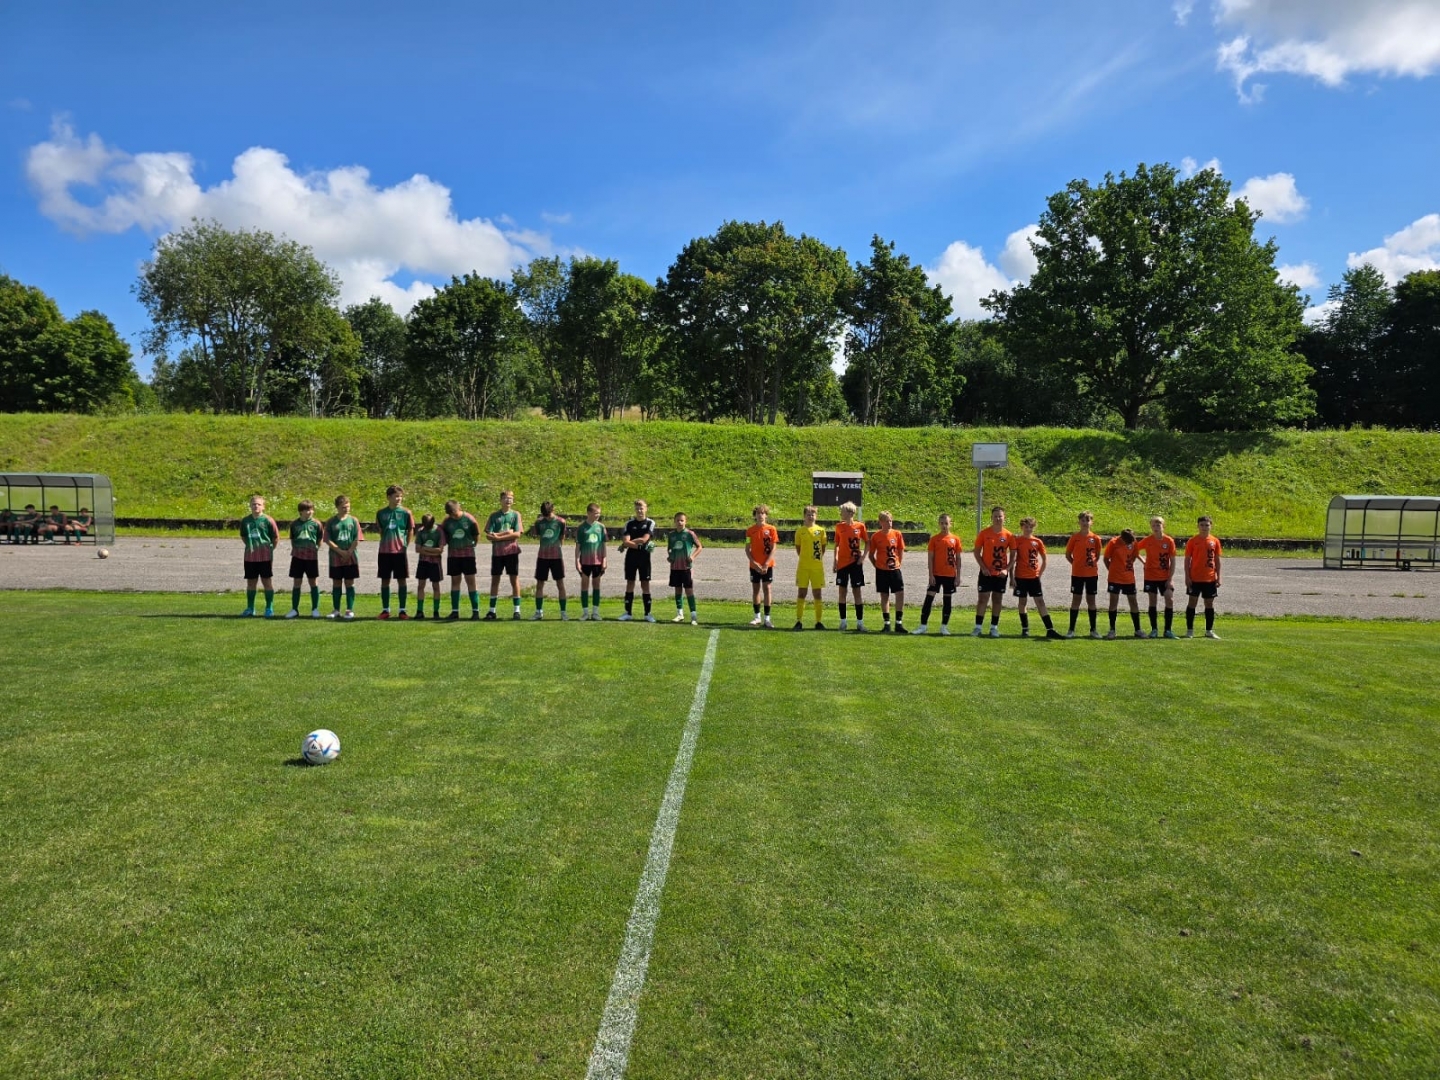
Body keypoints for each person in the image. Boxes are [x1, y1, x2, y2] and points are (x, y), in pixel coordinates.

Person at [1011, 517, 1063, 639]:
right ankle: (1025, 628)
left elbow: (1044, 559)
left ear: (1034, 528)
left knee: (1040, 601)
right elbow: (1012, 560)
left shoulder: (1037, 542)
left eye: (1030, 527)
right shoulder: (1017, 541)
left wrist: (1039, 574)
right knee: (1022, 602)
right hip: (1020, 576)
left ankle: (1050, 629)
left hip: (1033, 577)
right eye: (1026, 527)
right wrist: (1012, 577)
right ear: (1022, 527)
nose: (1028, 529)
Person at [913, 513, 962, 635]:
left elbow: (958, 558)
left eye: (946, 523)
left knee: (947, 600)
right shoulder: (934, 539)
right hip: (936, 574)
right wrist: (931, 575)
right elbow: (930, 558)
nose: (944, 526)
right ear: (939, 524)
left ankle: (944, 627)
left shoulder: (955, 539)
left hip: (950, 575)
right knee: (929, 598)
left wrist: (958, 576)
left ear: (950, 524)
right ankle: (923, 626)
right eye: (942, 523)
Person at [972, 506, 1014, 638]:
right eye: (995, 516)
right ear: (991, 518)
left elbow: (1014, 556)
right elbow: (976, 552)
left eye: (1000, 516)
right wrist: (983, 568)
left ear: (1004, 518)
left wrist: (1006, 570)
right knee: (982, 599)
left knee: (997, 599)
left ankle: (994, 627)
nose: (998, 518)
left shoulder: (1009, 535)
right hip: (986, 573)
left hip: (1000, 574)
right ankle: (978, 627)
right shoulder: (984, 533)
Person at [375, 484, 415, 620]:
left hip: (399, 552)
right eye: (396, 496)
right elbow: (381, 530)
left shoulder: (406, 513)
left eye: (400, 496)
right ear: (388, 497)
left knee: (401, 580)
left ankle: (402, 611)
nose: (399, 499)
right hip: (385, 551)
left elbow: (410, 530)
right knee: (385, 580)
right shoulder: (381, 513)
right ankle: (385, 610)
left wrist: (405, 545)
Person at [485, 490, 524, 620]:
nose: (508, 500)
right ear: (501, 500)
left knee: (514, 579)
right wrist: (507, 533)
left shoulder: (515, 515)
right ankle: (492, 611)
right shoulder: (494, 516)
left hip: (511, 552)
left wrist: (499, 536)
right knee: (495, 580)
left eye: (511, 498)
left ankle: (517, 610)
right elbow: (489, 534)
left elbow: (517, 534)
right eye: (506, 498)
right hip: (497, 553)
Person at [1137, 515, 1178, 639]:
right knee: (1152, 601)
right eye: (1153, 525)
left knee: (1169, 599)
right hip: (1150, 576)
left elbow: (1173, 561)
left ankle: (1168, 630)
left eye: (1158, 524)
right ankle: (1154, 629)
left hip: (1165, 577)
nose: (1156, 527)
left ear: (1163, 526)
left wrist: (1170, 579)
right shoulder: (1147, 540)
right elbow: (1134, 550)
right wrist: (1144, 561)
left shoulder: (1169, 541)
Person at [239, 495, 280, 618]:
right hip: (250, 557)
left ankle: (269, 608)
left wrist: (269, 549)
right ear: (250, 506)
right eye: (254, 504)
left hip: (265, 557)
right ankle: (250, 608)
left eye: (259, 504)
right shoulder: (245, 521)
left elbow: (275, 537)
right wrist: (251, 546)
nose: (256, 506)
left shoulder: (268, 520)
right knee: (251, 583)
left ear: (263, 506)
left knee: (267, 582)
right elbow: (243, 536)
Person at [1065, 511, 1104, 638]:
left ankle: (1093, 630)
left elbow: (1097, 555)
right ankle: (1071, 630)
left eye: (1087, 520)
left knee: (1091, 600)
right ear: (1079, 522)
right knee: (1076, 600)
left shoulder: (1095, 538)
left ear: (1091, 522)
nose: (1085, 523)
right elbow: (1068, 555)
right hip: (1077, 574)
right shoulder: (1074, 537)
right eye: (1082, 520)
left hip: (1091, 574)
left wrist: (1090, 565)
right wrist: (1076, 564)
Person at [323, 495, 363, 620]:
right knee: (336, 582)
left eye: (348, 506)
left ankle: (349, 610)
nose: (346, 509)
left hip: (351, 557)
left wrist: (349, 552)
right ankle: (336, 610)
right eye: (343, 507)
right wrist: (340, 552)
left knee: (349, 582)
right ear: (337, 507)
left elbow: (357, 538)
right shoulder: (331, 522)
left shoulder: (353, 520)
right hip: (336, 557)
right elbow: (327, 539)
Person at [441, 499, 482, 620]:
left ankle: (475, 612)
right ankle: (455, 612)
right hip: (453, 555)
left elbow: (476, 534)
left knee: (471, 581)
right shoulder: (447, 521)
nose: (453, 516)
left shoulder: (469, 519)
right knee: (455, 581)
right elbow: (443, 535)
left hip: (468, 555)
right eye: (450, 514)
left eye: (454, 513)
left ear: (459, 508)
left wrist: (473, 545)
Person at [1184, 515, 1224, 639]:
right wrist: (1187, 577)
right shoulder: (1192, 541)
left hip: (1210, 578)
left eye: (1207, 525)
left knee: (1209, 603)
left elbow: (1217, 560)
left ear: (1211, 526)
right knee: (1192, 602)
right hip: (1195, 578)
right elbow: (1187, 560)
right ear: (1198, 526)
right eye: (1202, 525)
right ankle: (1190, 630)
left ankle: (1209, 630)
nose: (1204, 527)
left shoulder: (1215, 541)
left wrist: (1219, 577)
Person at [867, 510, 906, 633]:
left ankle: (899, 623)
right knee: (884, 595)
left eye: (890, 520)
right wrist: (877, 566)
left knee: (900, 593)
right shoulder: (876, 536)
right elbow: (871, 555)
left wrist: (898, 563)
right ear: (881, 522)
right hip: (882, 571)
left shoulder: (897, 534)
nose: (889, 523)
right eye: (887, 521)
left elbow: (900, 550)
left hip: (895, 569)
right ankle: (887, 623)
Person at [619, 499, 658, 623]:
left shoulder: (650, 523)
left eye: (641, 508)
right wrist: (635, 545)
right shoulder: (629, 523)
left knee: (645, 584)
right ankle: (628, 613)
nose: (639, 511)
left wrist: (627, 543)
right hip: (631, 557)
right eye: (637, 509)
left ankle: (647, 614)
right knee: (630, 583)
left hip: (644, 558)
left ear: (646, 509)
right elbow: (626, 541)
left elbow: (644, 539)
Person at [1103, 528, 1144, 639]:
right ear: (1122, 538)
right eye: (1127, 542)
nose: (1129, 544)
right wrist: (1112, 570)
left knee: (1133, 602)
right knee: (1113, 603)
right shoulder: (1113, 543)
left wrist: (1127, 567)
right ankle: (1112, 630)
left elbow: (1134, 556)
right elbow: (1106, 559)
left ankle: (1138, 630)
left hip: (1129, 578)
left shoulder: (1133, 542)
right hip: (1114, 578)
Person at [833, 501, 868, 632]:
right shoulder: (839, 527)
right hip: (842, 563)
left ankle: (860, 623)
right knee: (842, 591)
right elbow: (836, 545)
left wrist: (863, 557)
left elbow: (867, 542)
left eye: (842, 511)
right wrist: (835, 560)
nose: (840, 513)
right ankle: (843, 622)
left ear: (849, 513)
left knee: (857, 591)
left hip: (855, 563)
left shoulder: (860, 526)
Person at [531, 501, 569, 621]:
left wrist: (557, 549)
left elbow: (562, 537)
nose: (547, 517)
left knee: (560, 584)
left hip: (556, 557)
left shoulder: (561, 522)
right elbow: (537, 535)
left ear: (553, 510)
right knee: (539, 584)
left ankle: (563, 613)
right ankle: (538, 612)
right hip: (542, 557)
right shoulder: (539, 522)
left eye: (549, 514)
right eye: (545, 515)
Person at [285, 499, 323, 619]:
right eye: (307, 510)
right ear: (300, 511)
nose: (309, 512)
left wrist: (315, 549)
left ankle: (315, 609)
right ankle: (294, 609)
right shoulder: (294, 524)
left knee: (313, 582)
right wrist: (297, 550)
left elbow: (320, 539)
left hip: (311, 557)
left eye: (311, 509)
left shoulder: (316, 524)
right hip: (297, 557)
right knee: (297, 582)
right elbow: (292, 539)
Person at [793, 505, 827, 630]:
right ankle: (799, 621)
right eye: (808, 514)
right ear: (804, 516)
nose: (810, 516)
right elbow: (798, 549)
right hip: (803, 567)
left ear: (816, 516)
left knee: (817, 594)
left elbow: (823, 548)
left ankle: (818, 622)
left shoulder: (821, 530)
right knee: (802, 593)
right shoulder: (800, 531)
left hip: (817, 568)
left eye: (813, 514)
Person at [666, 511, 703, 625]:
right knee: (677, 590)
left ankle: (693, 616)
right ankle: (680, 614)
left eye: (682, 520)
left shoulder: (689, 534)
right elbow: (670, 549)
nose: (680, 522)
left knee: (689, 591)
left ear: (685, 521)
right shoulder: (671, 535)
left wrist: (692, 556)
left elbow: (699, 547)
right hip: (675, 568)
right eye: (677, 520)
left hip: (686, 568)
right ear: (674, 521)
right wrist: (670, 556)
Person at [746, 504, 779, 628]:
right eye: (758, 513)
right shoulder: (750, 531)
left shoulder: (771, 529)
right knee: (756, 589)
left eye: (762, 513)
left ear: (766, 515)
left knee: (767, 588)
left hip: (767, 565)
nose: (760, 515)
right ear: (755, 515)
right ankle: (757, 617)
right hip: (754, 566)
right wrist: (754, 563)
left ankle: (767, 619)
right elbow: (747, 549)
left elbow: (774, 547)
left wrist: (766, 563)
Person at [574, 503, 608, 620]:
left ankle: (595, 613)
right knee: (584, 585)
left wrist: (604, 559)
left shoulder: (601, 527)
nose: (598, 515)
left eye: (599, 513)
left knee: (596, 585)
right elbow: (578, 546)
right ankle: (585, 613)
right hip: (585, 561)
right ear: (588, 513)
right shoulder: (581, 528)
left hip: (597, 561)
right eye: (596, 513)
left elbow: (603, 545)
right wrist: (577, 560)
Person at [413, 512, 445, 619]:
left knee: (436, 586)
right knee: (420, 586)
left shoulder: (439, 531)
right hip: (423, 561)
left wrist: (425, 549)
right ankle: (419, 611)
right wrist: (433, 551)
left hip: (435, 563)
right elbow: (417, 549)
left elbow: (440, 550)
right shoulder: (420, 531)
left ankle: (436, 612)